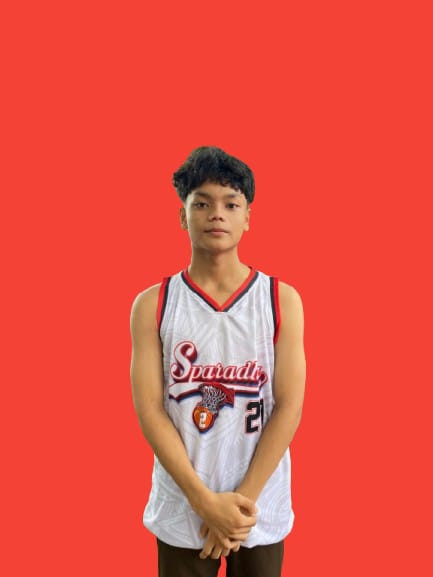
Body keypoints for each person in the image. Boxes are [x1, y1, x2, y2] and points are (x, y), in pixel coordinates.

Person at [130, 146, 306, 577]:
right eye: (202, 204)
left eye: (231, 204)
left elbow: (288, 406)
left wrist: (237, 509)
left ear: (248, 218)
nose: (216, 215)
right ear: (182, 215)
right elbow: (150, 409)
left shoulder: (279, 300)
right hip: (182, 506)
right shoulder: (154, 304)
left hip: (258, 506)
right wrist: (204, 502)